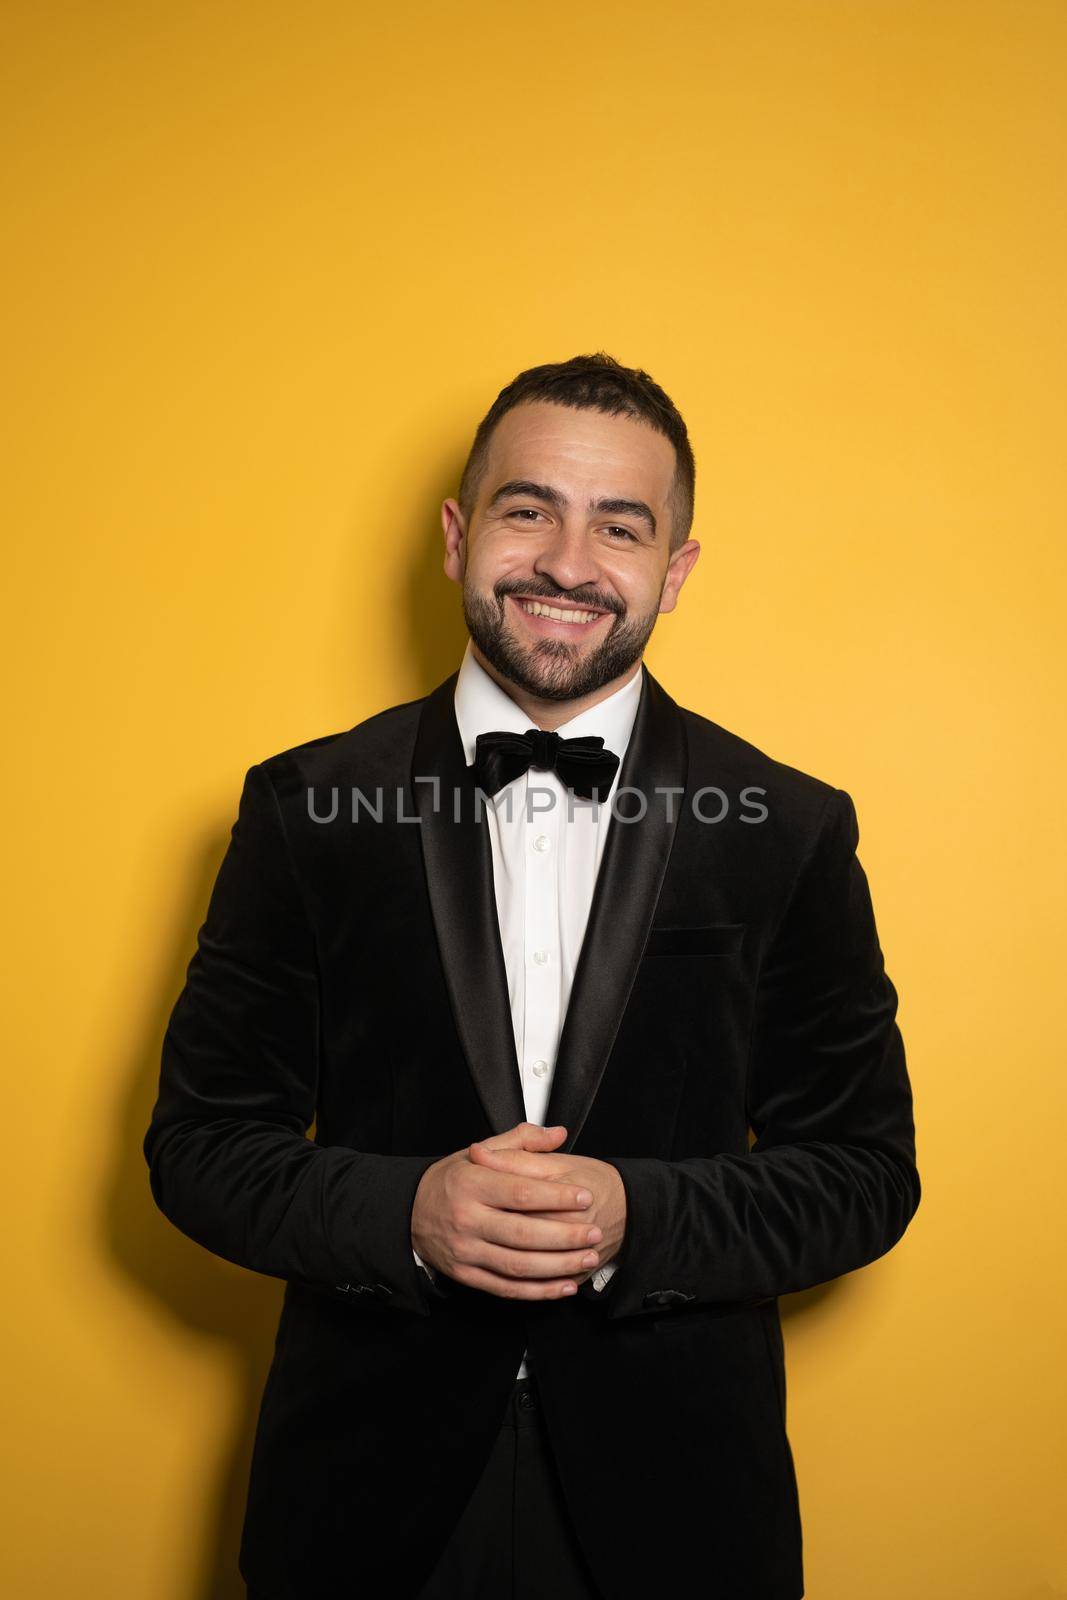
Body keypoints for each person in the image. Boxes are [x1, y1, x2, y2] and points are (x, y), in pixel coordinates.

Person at [143, 351, 921, 1600]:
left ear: (674, 570)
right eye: (527, 508)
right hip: (359, 1507)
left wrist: (637, 1217)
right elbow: (198, 1147)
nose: (567, 561)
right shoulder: (302, 808)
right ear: (456, 535)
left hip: (678, 1516)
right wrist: (406, 1212)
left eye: (620, 525)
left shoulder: (788, 826)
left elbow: (865, 1173)